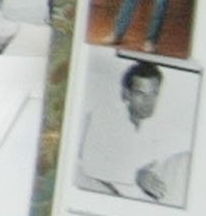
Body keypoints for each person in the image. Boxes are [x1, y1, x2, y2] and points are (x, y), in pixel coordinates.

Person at [77, 60, 190, 204]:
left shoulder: (159, 126)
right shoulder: (103, 116)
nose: (148, 101)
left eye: (153, 94)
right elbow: (90, 164)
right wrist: (136, 176)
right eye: (140, 93)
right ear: (127, 94)